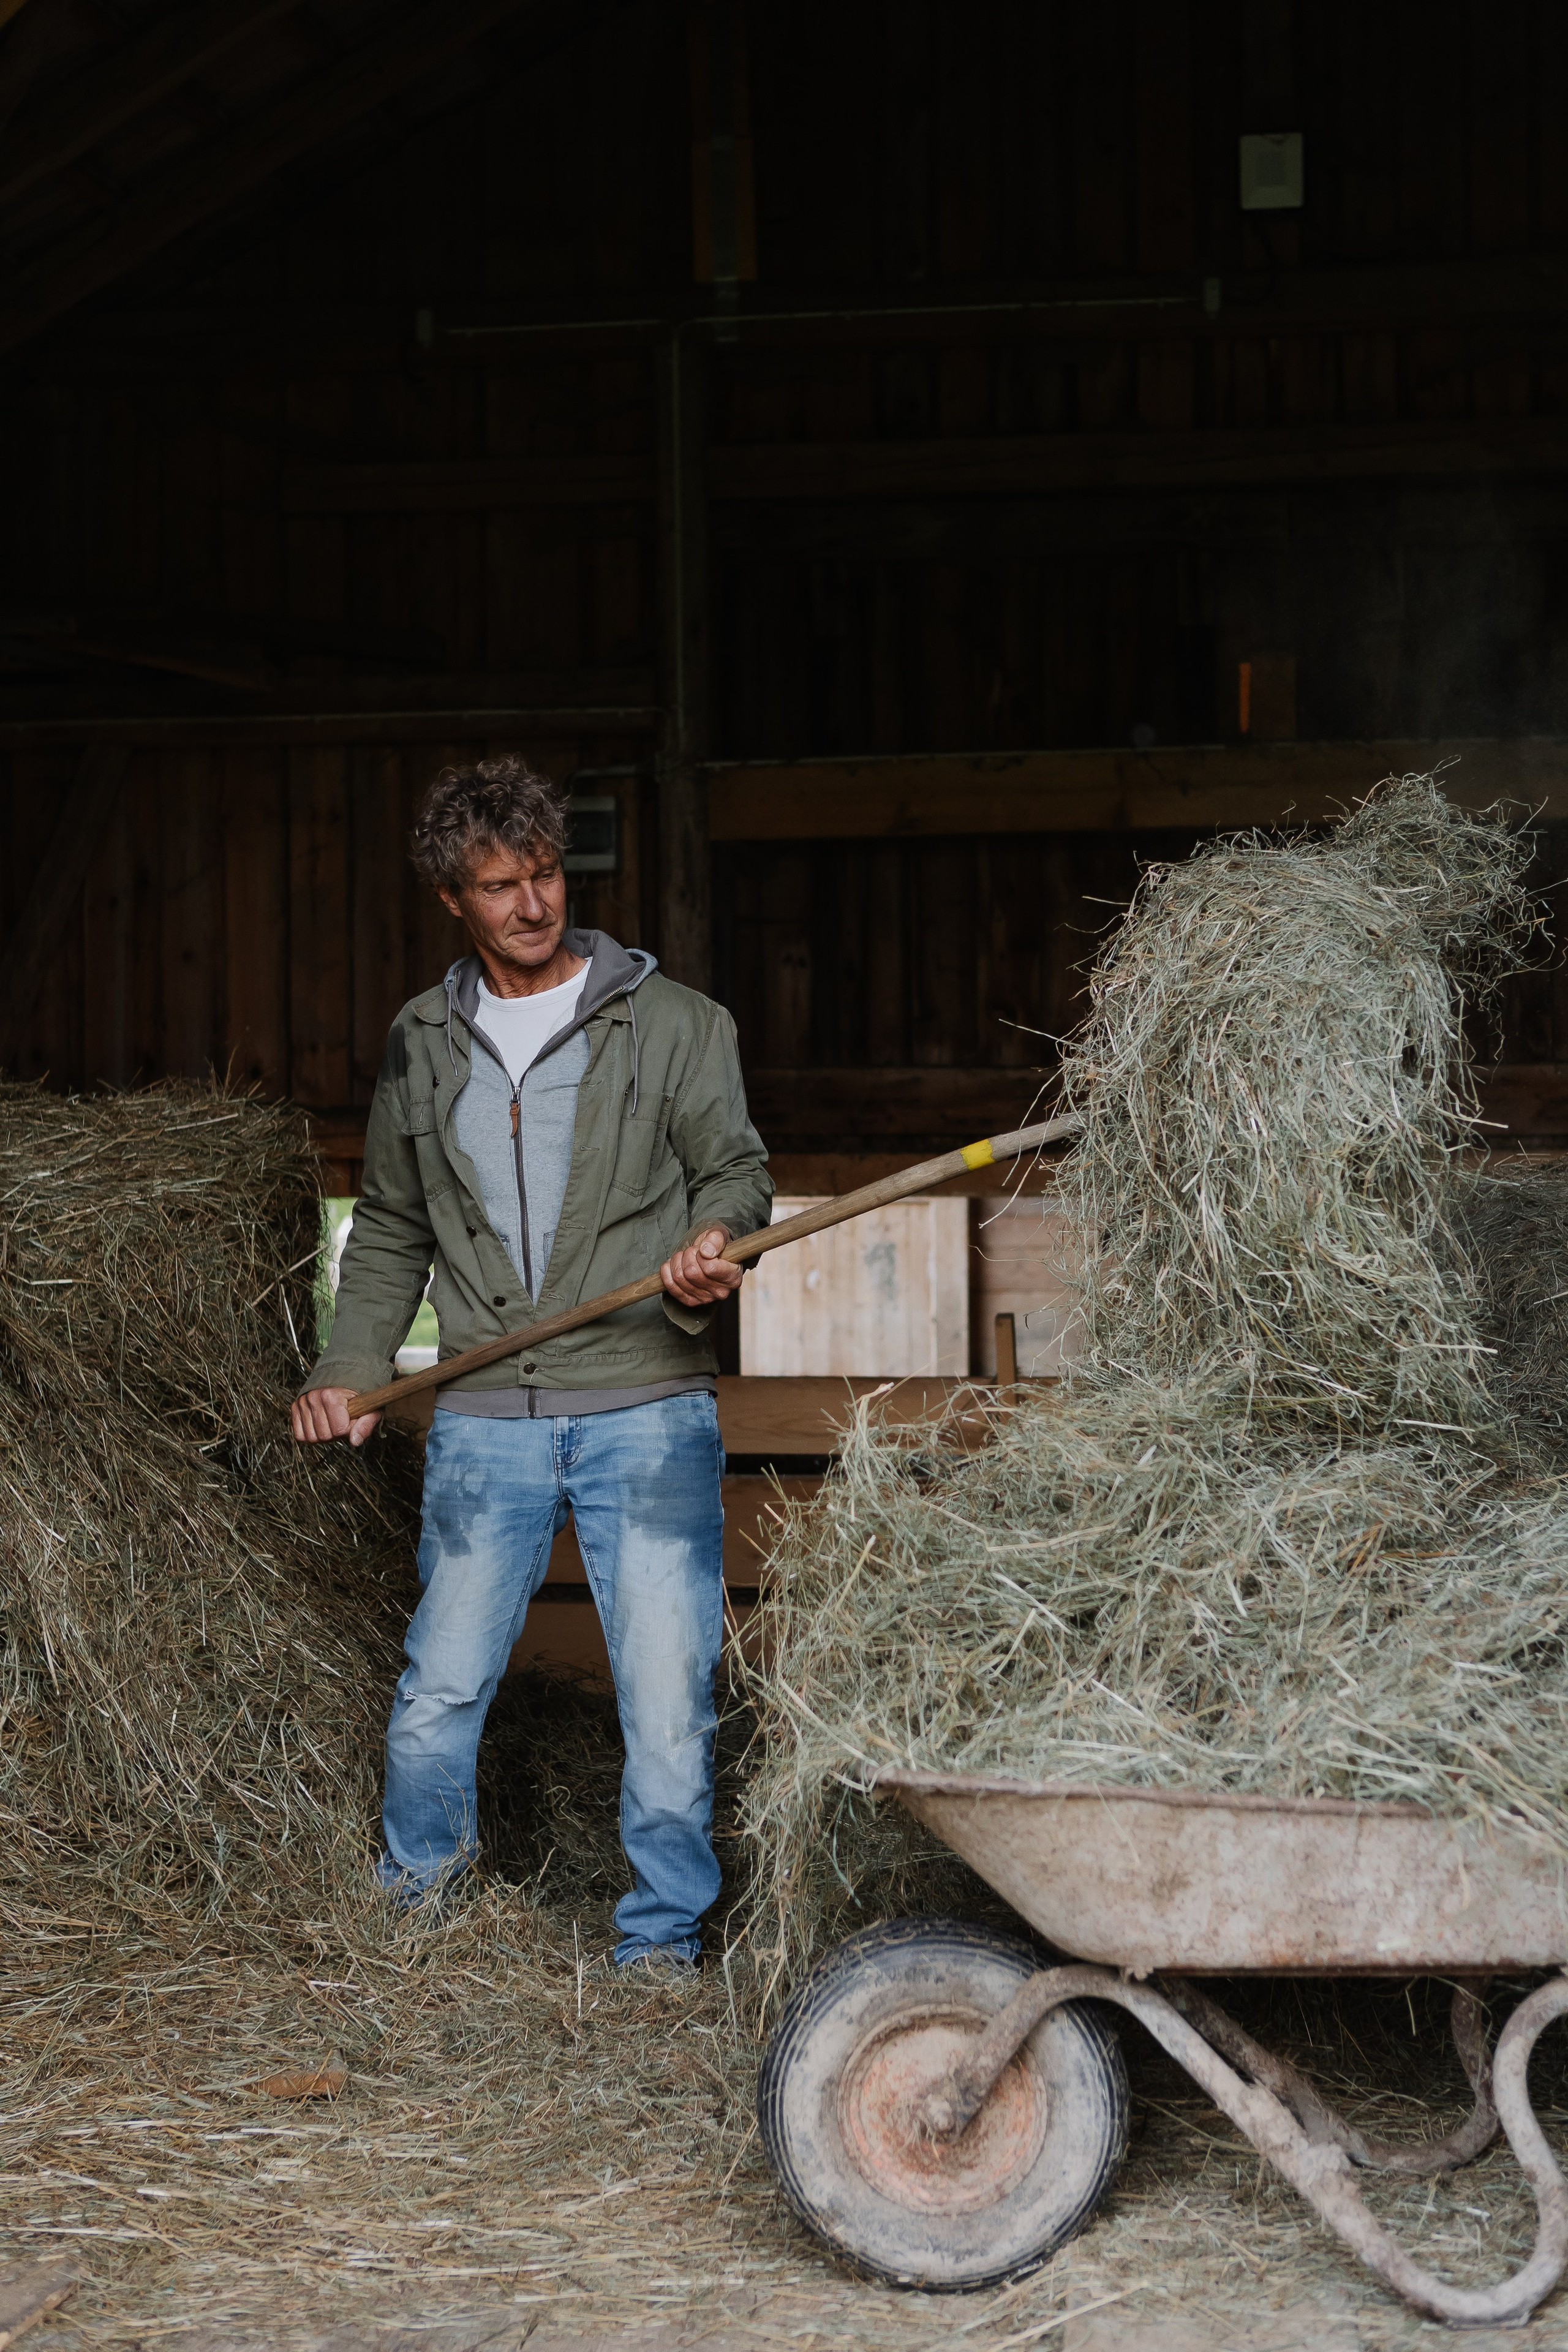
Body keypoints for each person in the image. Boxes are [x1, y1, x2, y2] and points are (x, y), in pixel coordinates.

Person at [292, 756, 771, 1973]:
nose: (531, 904)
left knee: (666, 1704)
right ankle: (419, 1913)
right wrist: (350, 1368)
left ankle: (659, 1944)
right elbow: (393, 1222)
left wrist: (717, 1246)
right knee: (440, 1693)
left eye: (545, 874)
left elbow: (735, 1176)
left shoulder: (674, 1025)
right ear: (452, 900)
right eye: (498, 885)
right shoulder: (420, 1042)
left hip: (645, 1403)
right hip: (482, 1417)